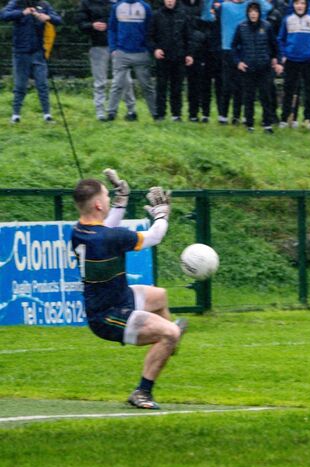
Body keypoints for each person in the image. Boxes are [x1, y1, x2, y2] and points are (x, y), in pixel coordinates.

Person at [71, 170, 187, 410]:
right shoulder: (108, 237)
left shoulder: (80, 231)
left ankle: (166, 344)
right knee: (171, 334)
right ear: (97, 204)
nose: (108, 198)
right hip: (108, 316)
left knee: (160, 296)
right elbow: (155, 236)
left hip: (118, 297)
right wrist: (162, 214)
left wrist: (121, 199)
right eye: (106, 196)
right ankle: (142, 391)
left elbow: (107, 229)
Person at [1, 0, 62, 123]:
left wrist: (47, 17)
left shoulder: (44, 4)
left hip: (39, 51)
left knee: (42, 84)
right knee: (20, 85)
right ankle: (16, 115)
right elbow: (3, 15)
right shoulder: (17, 3)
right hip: (21, 51)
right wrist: (22, 13)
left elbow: (58, 20)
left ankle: (47, 115)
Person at [77, 0, 136, 121]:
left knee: (125, 79)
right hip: (97, 45)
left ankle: (131, 111)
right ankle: (100, 113)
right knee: (100, 81)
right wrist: (92, 25)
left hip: (119, 46)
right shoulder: (86, 3)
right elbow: (80, 24)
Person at [219, 0, 272, 125]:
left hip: (244, 50)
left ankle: (238, 116)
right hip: (228, 48)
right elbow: (208, 15)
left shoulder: (250, 6)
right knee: (227, 85)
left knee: (242, 85)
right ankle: (223, 116)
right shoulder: (225, 6)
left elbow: (267, 7)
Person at [232, 0, 283, 133]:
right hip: (248, 68)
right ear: (247, 13)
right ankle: (249, 124)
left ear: (259, 13)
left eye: (255, 12)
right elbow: (234, 46)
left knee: (265, 96)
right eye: (250, 12)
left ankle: (267, 124)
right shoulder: (241, 27)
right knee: (248, 97)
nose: (253, 14)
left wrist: (277, 61)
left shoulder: (267, 26)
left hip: (264, 68)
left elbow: (275, 46)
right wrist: (238, 62)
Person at [107, 0, 158, 121]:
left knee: (147, 86)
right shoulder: (117, 7)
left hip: (141, 53)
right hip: (121, 52)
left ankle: (156, 114)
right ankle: (111, 113)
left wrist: (148, 49)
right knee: (117, 84)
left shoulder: (145, 7)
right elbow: (112, 28)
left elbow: (151, 29)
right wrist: (113, 48)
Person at [278, 0, 310, 128]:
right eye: (297, 3)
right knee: (289, 90)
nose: (300, 6)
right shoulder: (287, 19)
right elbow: (280, 39)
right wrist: (284, 55)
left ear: (306, 5)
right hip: (291, 60)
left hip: (309, 60)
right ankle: (286, 119)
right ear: (293, 5)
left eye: (302, 3)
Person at [150, 0, 194, 121]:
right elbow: (150, 36)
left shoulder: (183, 14)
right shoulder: (156, 15)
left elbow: (189, 36)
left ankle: (176, 114)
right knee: (161, 86)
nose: (169, 1)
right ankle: (160, 114)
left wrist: (189, 54)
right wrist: (155, 49)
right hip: (162, 57)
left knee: (177, 87)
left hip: (179, 57)